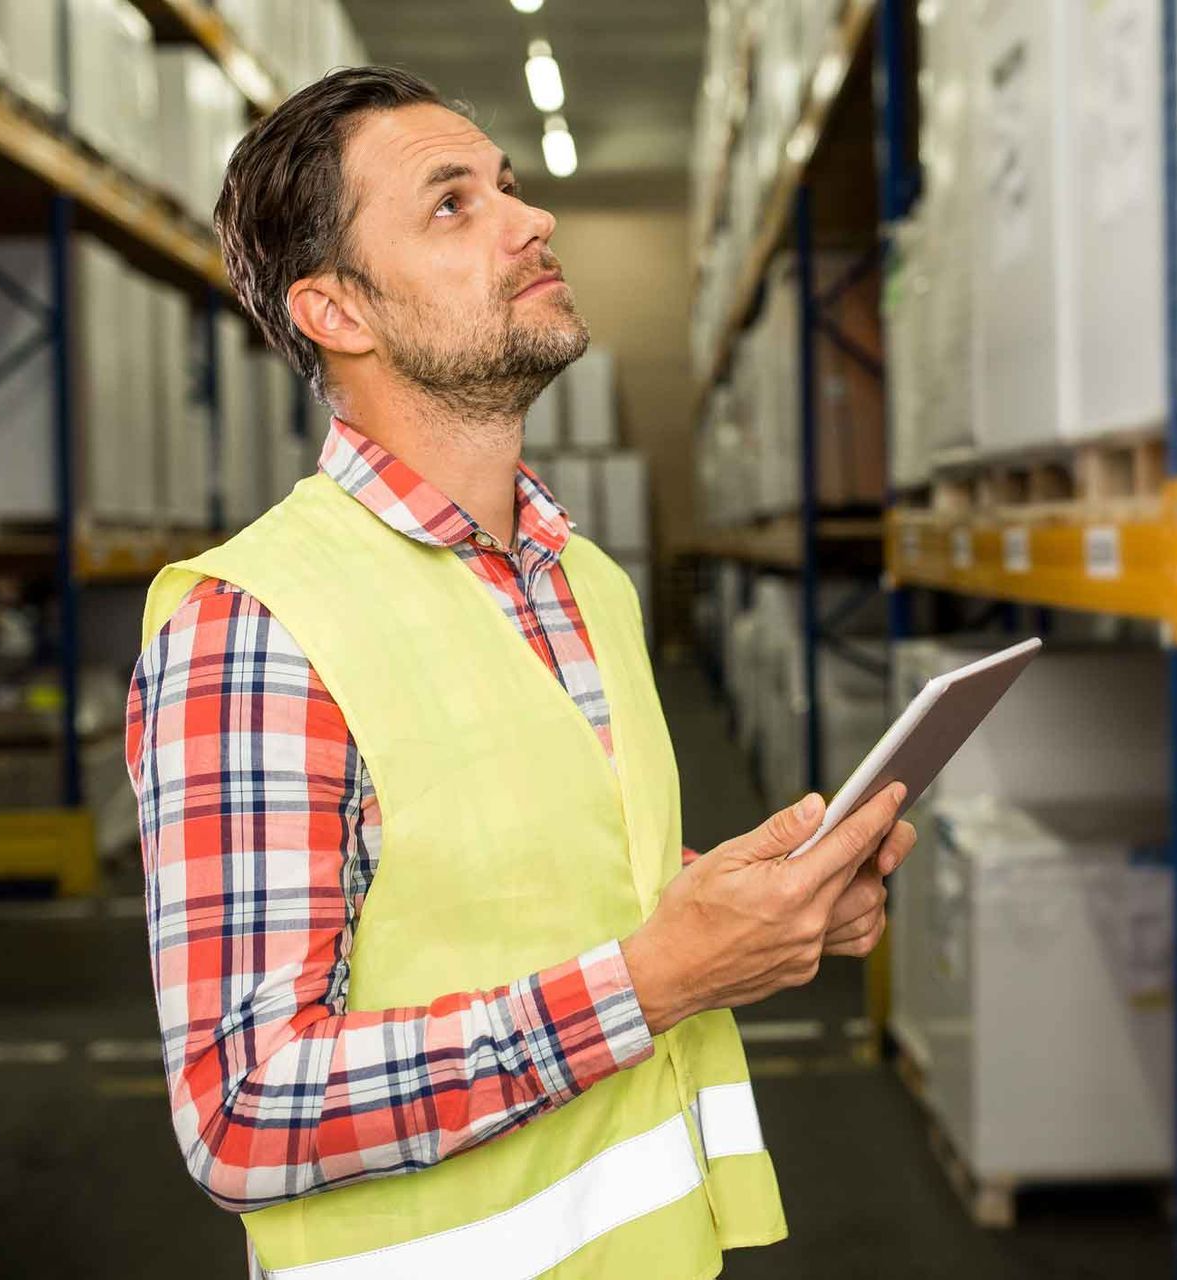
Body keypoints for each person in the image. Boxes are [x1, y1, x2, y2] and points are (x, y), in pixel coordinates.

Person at [126, 66, 915, 1280]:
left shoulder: (584, 578)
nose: (529, 217)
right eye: (452, 204)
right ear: (339, 311)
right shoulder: (255, 625)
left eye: (509, 185)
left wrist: (758, 915)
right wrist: (652, 983)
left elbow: (557, 905)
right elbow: (247, 1109)